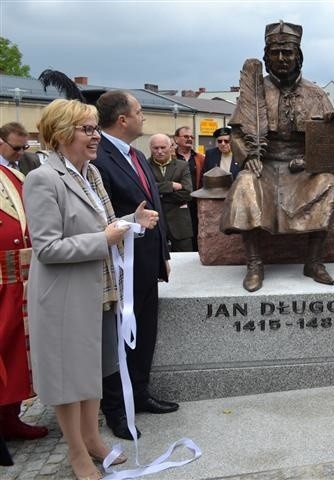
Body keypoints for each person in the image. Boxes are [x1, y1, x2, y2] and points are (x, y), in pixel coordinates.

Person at [24, 98, 160, 479]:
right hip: (65, 296)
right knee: (69, 377)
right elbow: (48, 248)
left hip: (100, 289)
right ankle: (77, 452)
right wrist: (106, 237)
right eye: (87, 129)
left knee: (96, 368)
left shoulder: (91, 173)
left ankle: (94, 440)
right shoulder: (43, 178)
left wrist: (130, 220)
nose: (95, 136)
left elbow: (101, 224)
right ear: (62, 133)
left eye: (95, 128)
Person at [220, 20, 334, 292]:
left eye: (287, 53)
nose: (281, 59)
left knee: (329, 182)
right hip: (263, 165)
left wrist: (330, 126)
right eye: (275, 53)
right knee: (244, 184)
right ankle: (254, 263)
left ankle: (314, 261)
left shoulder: (316, 93)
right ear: (266, 57)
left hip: (302, 168)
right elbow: (237, 133)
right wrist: (247, 155)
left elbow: (329, 145)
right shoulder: (255, 91)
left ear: (298, 56)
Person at [93, 91, 178, 441]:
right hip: (119, 267)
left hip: (146, 263)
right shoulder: (100, 158)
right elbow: (105, 215)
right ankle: (115, 408)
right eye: (140, 111)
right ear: (122, 119)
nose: (144, 117)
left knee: (144, 335)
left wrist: (164, 254)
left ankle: (140, 394)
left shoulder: (136, 156)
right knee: (117, 340)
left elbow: (153, 204)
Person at [0, 151, 48, 443]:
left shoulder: (13, 175)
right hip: (6, 279)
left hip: (20, 280)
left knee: (16, 356)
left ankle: (8, 417)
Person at [148, 133, 194, 252]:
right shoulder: (144, 166)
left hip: (180, 224)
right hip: (154, 223)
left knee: (185, 263)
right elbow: (144, 190)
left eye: (163, 147)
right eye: (155, 148)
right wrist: (171, 185)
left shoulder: (182, 166)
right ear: (150, 148)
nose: (159, 151)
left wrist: (159, 194)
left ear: (170, 147)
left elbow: (188, 193)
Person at [174, 126, 205, 250]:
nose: (189, 139)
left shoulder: (200, 158)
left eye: (191, 137)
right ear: (176, 139)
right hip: (177, 203)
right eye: (186, 136)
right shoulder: (171, 158)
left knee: (197, 231)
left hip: (196, 203)